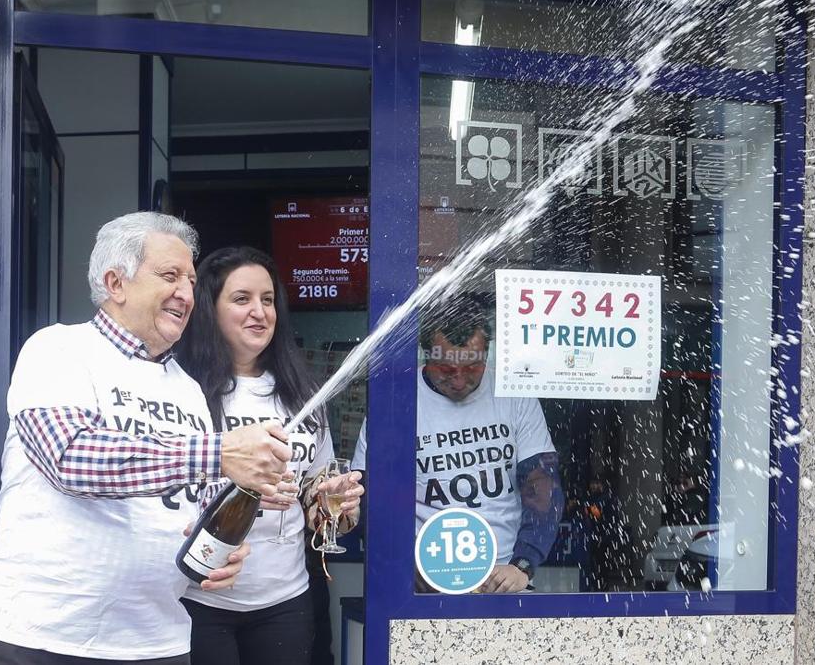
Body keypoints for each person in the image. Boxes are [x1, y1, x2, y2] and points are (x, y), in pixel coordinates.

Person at [0, 213, 292, 665]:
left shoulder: (186, 387)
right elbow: (72, 459)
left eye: (189, 279)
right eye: (170, 276)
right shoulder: (58, 349)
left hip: (159, 640)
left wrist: (228, 534)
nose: (186, 293)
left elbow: (195, 502)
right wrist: (222, 451)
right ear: (116, 283)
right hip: (46, 637)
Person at [176, 246, 363, 665]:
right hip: (198, 597)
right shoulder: (180, 387)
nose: (259, 312)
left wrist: (333, 500)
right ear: (210, 309)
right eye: (242, 299)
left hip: (286, 598)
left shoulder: (302, 394)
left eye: (267, 300)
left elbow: (315, 492)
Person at [352, 297, 563, 592]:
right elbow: (368, 499)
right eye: (447, 369)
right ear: (426, 355)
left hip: (502, 578)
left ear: (487, 352)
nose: (460, 380)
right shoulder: (395, 401)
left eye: (473, 366)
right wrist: (405, 567)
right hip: (420, 582)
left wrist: (523, 566)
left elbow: (542, 488)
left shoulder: (513, 392)